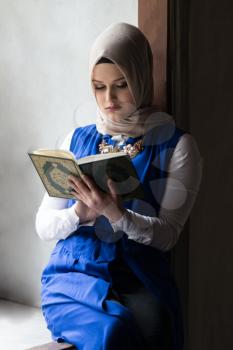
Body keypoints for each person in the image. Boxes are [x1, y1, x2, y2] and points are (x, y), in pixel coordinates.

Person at [35, 23, 202, 350]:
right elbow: (43, 226)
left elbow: (169, 234)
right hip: (73, 275)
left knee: (140, 326)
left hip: (138, 278)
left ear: (141, 77)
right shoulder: (76, 139)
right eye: (98, 87)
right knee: (114, 331)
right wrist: (79, 215)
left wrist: (118, 215)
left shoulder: (176, 146)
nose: (108, 99)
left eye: (121, 85)